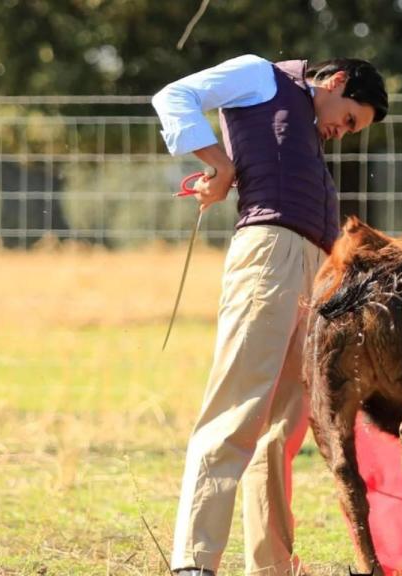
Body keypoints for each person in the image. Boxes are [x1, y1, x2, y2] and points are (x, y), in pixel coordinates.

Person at [151, 54, 388, 576]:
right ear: (337, 81)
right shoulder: (260, 75)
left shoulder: (302, 122)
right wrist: (221, 165)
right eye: (349, 118)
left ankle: (272, 568)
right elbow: (173, 97)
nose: (343, 133)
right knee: (236, 407)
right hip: (269, 256)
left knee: (282, 429)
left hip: (313, 271)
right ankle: (193, 562)